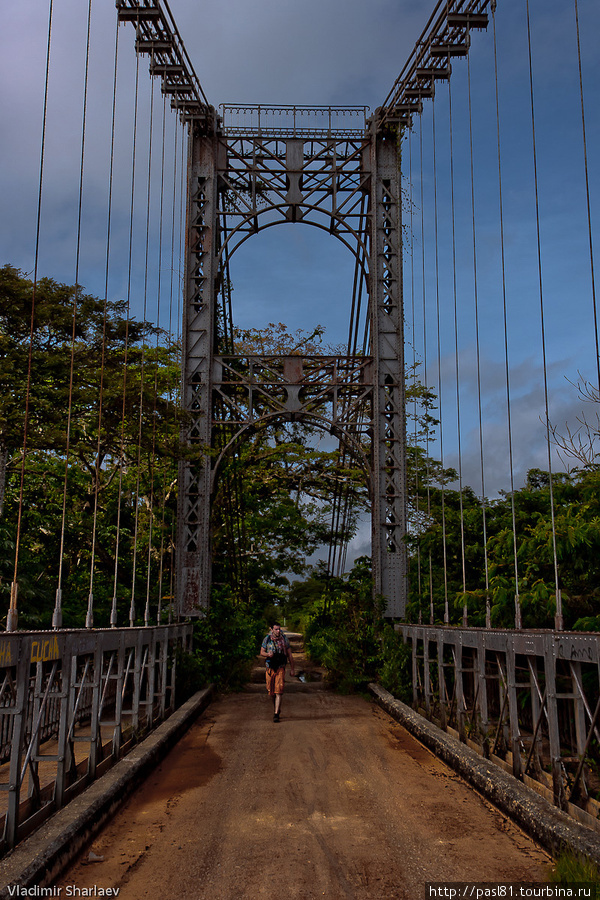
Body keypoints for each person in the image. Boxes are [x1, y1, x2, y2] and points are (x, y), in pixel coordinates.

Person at [260, 622, 295, 722]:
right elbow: (261, 652)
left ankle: (276, 714)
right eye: (276, 629)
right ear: (271, 629)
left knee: (279, 691)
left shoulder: (284, 639)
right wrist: (268, 654)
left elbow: (290, 655)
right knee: (271, 692)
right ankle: (277, 708)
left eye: (279, 629)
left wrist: (292, 669)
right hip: (270, 668)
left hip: (280, 667)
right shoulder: (267, 639)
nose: (278, 631)